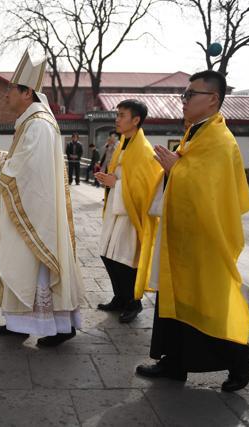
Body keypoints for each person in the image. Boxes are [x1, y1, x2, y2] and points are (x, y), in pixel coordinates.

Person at [136, 70, 249, 392]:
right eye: (185, 95)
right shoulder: (197, 133)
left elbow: (214, 191)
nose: (184, 101)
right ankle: (173, 363)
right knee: (175, 301)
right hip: (184, 236)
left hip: (205, 239)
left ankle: (241, 358)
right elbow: (189, 173)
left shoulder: (219, 139)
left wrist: (178, 170)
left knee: (207, 304)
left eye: (191, 95)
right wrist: (176, 170)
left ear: (213, 99)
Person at [0, 49, 84, 347]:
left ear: (27, 93)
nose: (6, 95)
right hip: (32, 206)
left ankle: (58, 327)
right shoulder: (33, 121)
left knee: (32, 266)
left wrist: (1, 167)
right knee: (22, 265)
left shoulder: (37, 124)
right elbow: (23, 161)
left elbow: (26, 170)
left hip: (35, 212)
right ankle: (19, 322)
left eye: (11, 89)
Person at [94, 99, 163, 324]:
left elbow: (147, 185)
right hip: (116, 208)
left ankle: (134, 302)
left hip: (131, 212)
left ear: (136, 120)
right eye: (118, 114)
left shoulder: (144, 149)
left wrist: (117, 184)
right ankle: (120, 297)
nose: (117, 119)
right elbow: (122, 176)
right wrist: (110, 181)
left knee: (125, 260)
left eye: (122, 115)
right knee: (108, 255)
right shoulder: (124, 142)